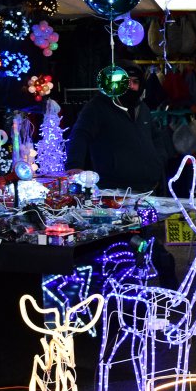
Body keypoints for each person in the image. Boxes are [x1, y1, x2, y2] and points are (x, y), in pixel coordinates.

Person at [66, 60, 178, 289]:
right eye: (125, 82)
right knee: (126, 245)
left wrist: (158, 159)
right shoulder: (97, 107)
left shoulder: (143, 109)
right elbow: (80, 135)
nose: (131, 87)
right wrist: (74, 166)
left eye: (135, 82)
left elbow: (156, 138)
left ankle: (165, 293)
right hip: (114, 194)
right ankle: (131, 291)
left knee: (146, 243)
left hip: (146, 192)